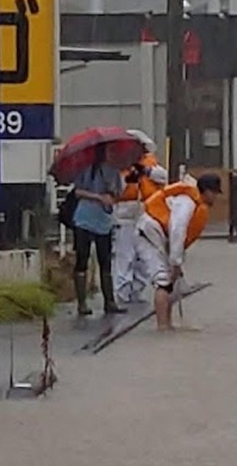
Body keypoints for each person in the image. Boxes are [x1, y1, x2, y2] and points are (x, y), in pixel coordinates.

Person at [135, 174, 223, 331]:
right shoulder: (186, 202)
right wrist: (175, 262)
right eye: (215, 193)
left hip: (161, 238)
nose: (216, 197)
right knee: (163, 280)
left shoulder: (195, 202)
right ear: (207, 191)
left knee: (174, 285)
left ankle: (168, 325)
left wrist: (177, 261)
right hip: (148, 236)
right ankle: (162, 328)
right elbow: (177, 229)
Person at [71, 146, 125, 316]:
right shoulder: (84, 169)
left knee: (105, 260)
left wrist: (111, 196)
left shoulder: (113, 171)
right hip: (84, 219)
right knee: (82, 259)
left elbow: (118, 193)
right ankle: (82, 303)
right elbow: (78, 192)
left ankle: (109, 301)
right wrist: (98, 197)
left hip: (104, 220)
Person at [112, 142, 168, 305]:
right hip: (125, 213)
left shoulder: (149, 163)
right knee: (125, 255)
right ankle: (122, 292)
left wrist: (145, 171)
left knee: (143, 256)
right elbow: (115, 187)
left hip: (145, 212)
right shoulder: (119, 165)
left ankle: (136, 290)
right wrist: (129, 178)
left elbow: (163, 176)